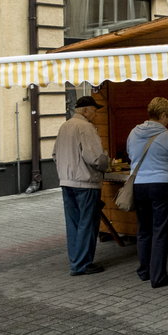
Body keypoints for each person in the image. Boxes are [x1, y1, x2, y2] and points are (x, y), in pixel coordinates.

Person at [126, 97, 168, 288]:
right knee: (159, 231)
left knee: (143, 229)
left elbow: (131, 156)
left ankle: (144, 271)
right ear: (163, 115)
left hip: (140, 184)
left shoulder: (134, 133)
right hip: (161, 185)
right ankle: (158, 276)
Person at [53, 95, 110, 276]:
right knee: (87, 223)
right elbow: (94, 157)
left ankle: (75, 261)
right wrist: (106, 161)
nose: (96, 114)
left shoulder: (65, 126)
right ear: (86, 110)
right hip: (85, 182)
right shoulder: (86, 127)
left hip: (66, 181)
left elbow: (54, 154)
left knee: (74, 223)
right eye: (94, 110)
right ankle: (83, 264)